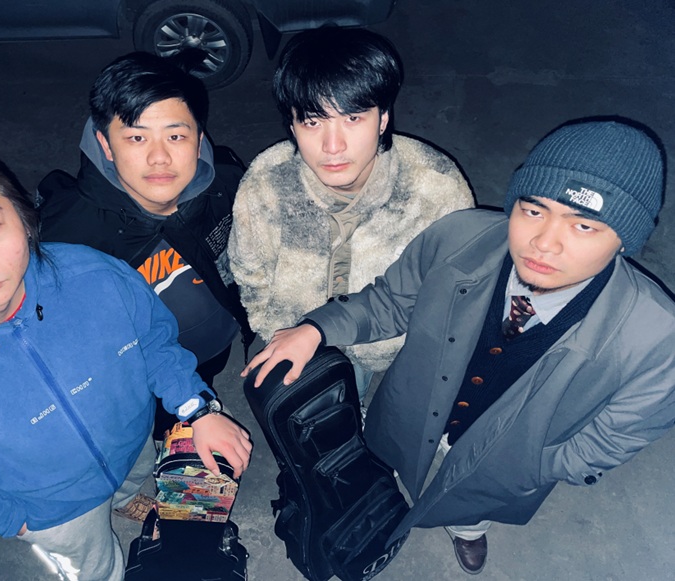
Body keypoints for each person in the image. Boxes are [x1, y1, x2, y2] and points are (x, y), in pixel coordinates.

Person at [243, 119, 675, 575]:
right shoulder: (460, 238)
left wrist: (537, 464)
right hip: (412, 416)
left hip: (507, 462)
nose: (544, 243)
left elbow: (617, 435)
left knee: (470, 504)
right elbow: (391, 301)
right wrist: (317, 329)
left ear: (624, 240)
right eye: (533, 211)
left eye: (584, 226)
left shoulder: (657, 342)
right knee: (388, 465)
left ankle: (467, 527)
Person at [0, 136, 252, 581]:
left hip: (131, 446)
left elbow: (155, 342)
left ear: (23, 218)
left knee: (135, 476)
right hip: (53, 512)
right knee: (95, 567)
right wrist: (16, 523)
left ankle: (123, 498)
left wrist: (197, 409)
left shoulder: (96, 274)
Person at [228, 27, 474, 401]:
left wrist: (414, 347)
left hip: (395, 344)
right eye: (312, 121)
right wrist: (275, 327)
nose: (333, 146)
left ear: (383, 118)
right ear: (292, 125)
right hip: (300, 338)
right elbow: (249, 272)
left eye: (353, 118)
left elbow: (457, 289)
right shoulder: (267, 183)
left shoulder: (435, 187)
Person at [37, 52, 254, 436]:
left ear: (198, 139)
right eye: (137, 137)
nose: (159, 158)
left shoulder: (228, 182)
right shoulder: (67, 238)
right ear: (106, 145)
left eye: (176, 136)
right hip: (136, 374)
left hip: (217, 345)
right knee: (150, 424)